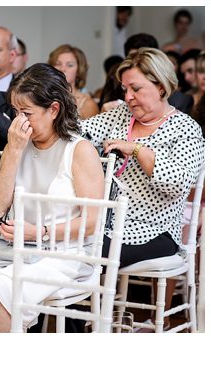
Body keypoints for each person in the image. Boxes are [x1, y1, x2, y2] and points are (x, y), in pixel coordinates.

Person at [0, 64, 105, 332]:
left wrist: (41, 232)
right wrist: (13, 152)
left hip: (67, 254)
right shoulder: (18, 144)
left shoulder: (79, 150)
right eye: (15, 112)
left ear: (54, 109)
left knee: (0, 290)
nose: (19, 122)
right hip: (19, 250)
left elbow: (91, 222)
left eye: (26, 113)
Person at [80, 48, 204, 269]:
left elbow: (179, 184)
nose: (127, 97)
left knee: (83, 251)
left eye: (135, 89)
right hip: (106, 224)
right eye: (125, 89)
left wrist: (138, 150)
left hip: (154, 231)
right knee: (69, 242)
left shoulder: (185, 128)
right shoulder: (122, 115)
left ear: (161, 86)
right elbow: (80, 132)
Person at [49, 44, 100, 119]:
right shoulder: (42, 97)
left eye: (70, 65)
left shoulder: (87, 104)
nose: (62, 69)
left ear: (79, 70)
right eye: (58, 64)